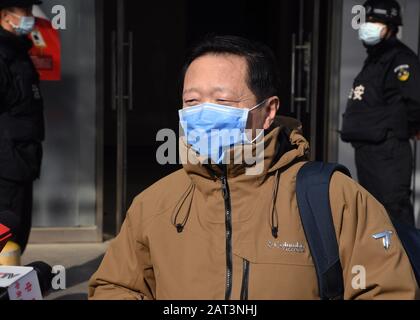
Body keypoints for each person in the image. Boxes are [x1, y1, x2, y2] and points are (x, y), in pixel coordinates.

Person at [89, 35, 418, 300]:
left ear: (269, 110)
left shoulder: (333, 198)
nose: (204, 113)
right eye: (192, 101)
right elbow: (115, 286)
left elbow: (388, 290)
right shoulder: (154, 204)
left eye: (222, 101)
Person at [341, 0, 420, 227]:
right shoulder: (376, 58)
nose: (369, 25)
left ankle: (411, 262)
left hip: (388, 152)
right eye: (367, 21)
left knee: (395, 215)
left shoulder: (400, 58)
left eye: (375, 21)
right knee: (375, 216)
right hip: (370, 151)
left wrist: (406, 126)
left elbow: (415, 101)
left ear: (391, 26)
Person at [0, 0, 44, 258]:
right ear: (6, 16)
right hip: (8, 158)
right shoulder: (3, 52)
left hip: (23, 154)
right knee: (7, 231)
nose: (30, 17)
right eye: (25, 12)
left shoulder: (17, 50)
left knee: (18, 228)